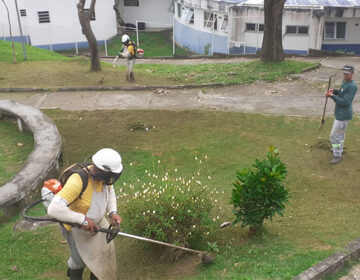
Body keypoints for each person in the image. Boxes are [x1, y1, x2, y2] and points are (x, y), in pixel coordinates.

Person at [48, 148, 123, 280]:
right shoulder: (78, 181)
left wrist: (112, 212)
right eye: (110, 174)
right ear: (103, 171)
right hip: (75, 228)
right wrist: (82, 220)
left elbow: (110, 192)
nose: (111, 178)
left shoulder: (104, 179)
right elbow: (53, 208)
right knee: (79, 260)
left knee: (103, 254)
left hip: (98, 223)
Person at [325, 65, 357, 165]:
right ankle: (339, 149)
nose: (345, 75)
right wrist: (334, 91)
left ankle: (337, 155)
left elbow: (345, 102)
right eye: (344, 73)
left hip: (343, 116)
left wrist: (332, 96)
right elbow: (342, 93)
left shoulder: (352, 86)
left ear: (352, 73)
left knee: (334, 136)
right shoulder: (345, 82)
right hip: (340, 114)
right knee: (341, 134)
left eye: (347, 74)